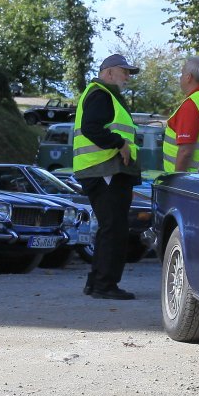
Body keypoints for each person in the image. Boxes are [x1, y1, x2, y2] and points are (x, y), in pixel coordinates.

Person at [73, 53, 142, 300]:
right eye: (124, 72)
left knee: (109, 227)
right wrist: (119, 143)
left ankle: (97, 282)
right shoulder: (101, 94)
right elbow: (92, 128)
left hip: (105, 170)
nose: (127, 78)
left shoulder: (103, 94)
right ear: (109, 72)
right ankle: (105, 285)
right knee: (114, 228)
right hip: (104, 169)